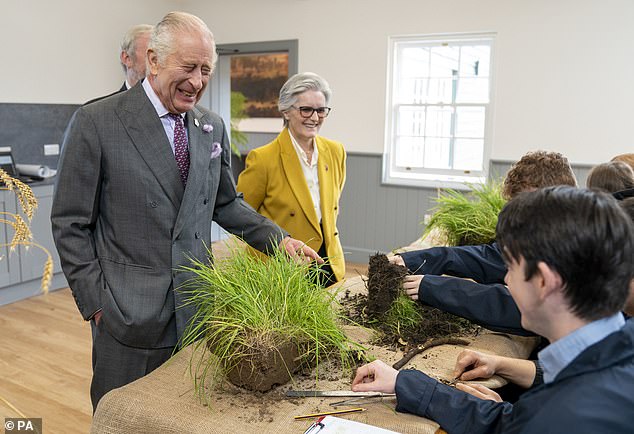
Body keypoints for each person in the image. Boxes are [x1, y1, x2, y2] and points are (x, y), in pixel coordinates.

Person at [51, 11, 321, 411]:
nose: (198, 81)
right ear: (155, 60)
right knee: (123, 416)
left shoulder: (210, 126)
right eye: (189, 66)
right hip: (126, 315)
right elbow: (70, 223)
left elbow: (226, 203)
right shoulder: (98, 121)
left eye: (206, 69)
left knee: (184, 411)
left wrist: (279, 241)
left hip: (196, 308)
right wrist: (97, 303)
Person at [352, 186, 634, 433]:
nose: (507, 279)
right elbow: (510, 424)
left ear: (544, 281)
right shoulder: (610, 357)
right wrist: (406, 383)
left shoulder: (561, 417)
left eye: (511, 268)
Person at [389, 151, 577, 335]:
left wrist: (434, 288)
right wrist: (415, 261)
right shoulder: (549, 233)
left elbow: (518, 307)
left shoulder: (574, 247)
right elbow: (491, 258)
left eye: (525, 207)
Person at [236, 72, 346, 286]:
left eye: (321, 110)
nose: (314, 117)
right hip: (280, 267)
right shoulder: (263, 158)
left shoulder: (336, 152)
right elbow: (242, 217)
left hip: (327, 262)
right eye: (306, 109)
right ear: (286, 111)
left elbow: (332, 207)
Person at [84, 24, 153, 105]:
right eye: (151, 55)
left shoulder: (169, 109)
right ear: (127, 58)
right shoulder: (96, 111)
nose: (159, 62)